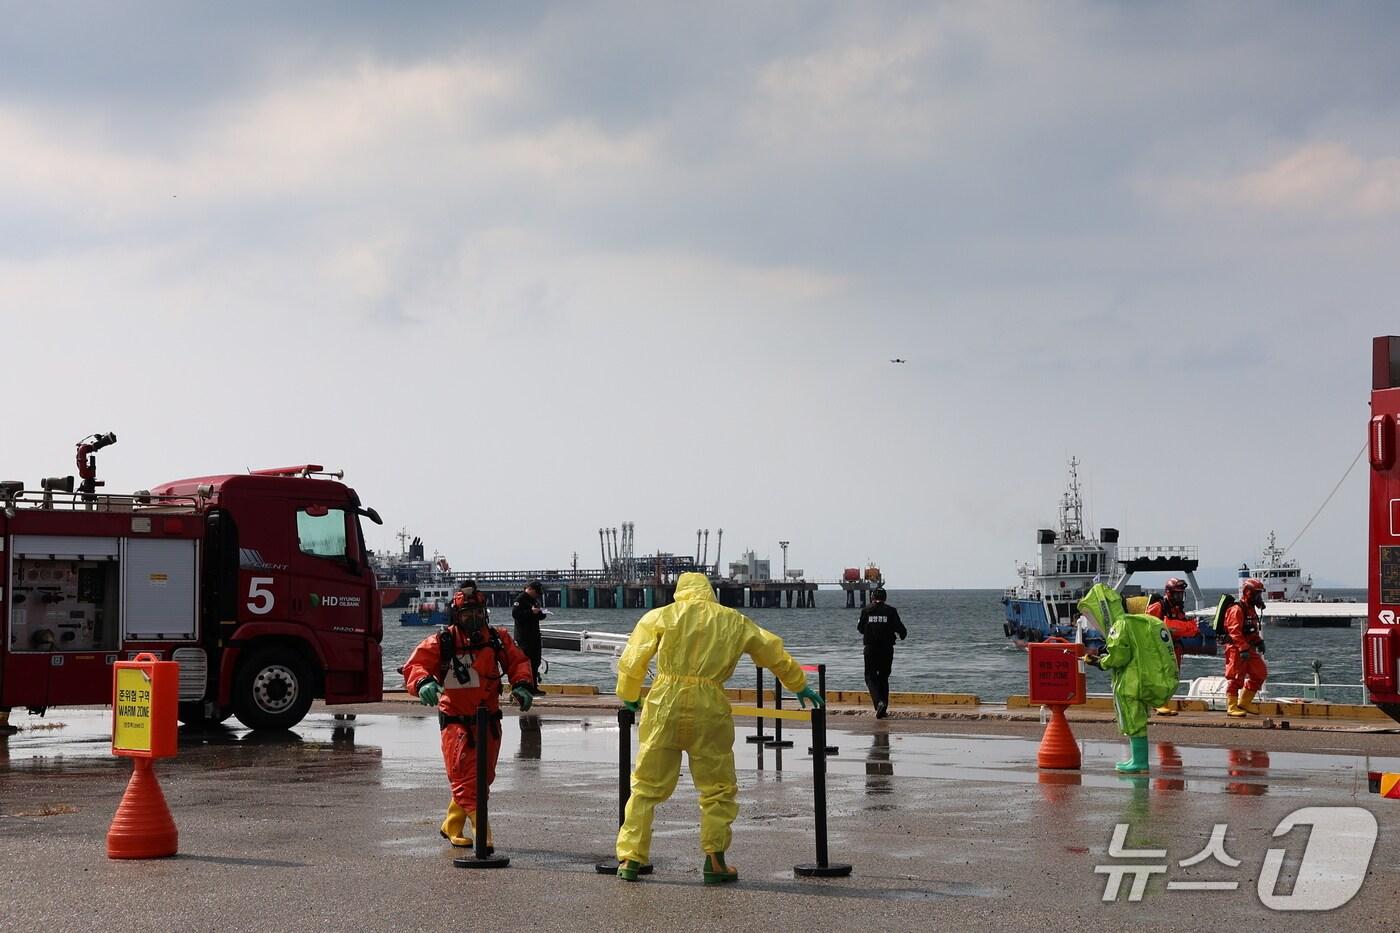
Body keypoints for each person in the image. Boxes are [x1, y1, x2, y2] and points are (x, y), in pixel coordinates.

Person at [614, 572, 823, 885]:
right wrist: (799, 684)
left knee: (645, 786)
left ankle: (630, 859)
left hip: (664, 704)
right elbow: (772, 652)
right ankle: (715, 861)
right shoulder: (734, 621)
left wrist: (629, 695)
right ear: (709, 592)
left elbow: (633, 660)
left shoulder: (660, 616)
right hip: (709, 706)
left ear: (679, 592)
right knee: (717, 788)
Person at [401, 584, 535, 849]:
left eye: (477, 613)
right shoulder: (444, 642)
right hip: (456, 723)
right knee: (466, 781)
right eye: (466, 614)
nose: (472, 620)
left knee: (482, 779)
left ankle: (451, 825)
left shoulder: (498, 639)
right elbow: (415, 665)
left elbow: (518, 661)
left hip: (489, 722)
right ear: (456, 616)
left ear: (484, 613)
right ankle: (483, 836)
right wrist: (423, 682)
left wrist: (521, 684)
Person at [1081, 583, 1177, 774]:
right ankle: (1137, 760)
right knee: (1138, 720)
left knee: (1134, 721)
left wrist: (1100, 662)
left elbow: (1119, 656)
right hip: (1143, 679)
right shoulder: (1141, 622)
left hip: (1130, 683)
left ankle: (1140, 762)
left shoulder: (1121, 624)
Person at [1146, 578, 1197, 716]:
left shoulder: (1179, 611)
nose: (1179, 597)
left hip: (1174, 648)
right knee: (1161, 676)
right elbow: (1147, 626)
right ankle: (1160, 704)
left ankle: (1164, 703)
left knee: (1172, 677)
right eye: (1177, 594)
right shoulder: (1158, 607)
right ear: (1169, 593)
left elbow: (1190, 629)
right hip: (1159, 649)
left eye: (1181, 594)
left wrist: (1179, 628)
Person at [858, 587, 907, 719]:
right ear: (885, 598)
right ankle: (883, 706)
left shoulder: (866, 610)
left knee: (870, 677)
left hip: (871, 649)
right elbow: (902, 631)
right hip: (886, 649)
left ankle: (878, 703)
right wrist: (899, 634)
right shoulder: (891, 611)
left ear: (872, 597)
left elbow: (860, 628)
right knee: (883, 677)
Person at [1224, 577, 1268, 717]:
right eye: (1257, 593)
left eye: (1260, 594)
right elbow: (1234, 631)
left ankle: (1244, 702)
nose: (1259, 597)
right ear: (1248, 592)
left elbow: (1251, 629)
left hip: (1248, 648)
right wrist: (1242, 648)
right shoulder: (1237, 609)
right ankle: (1232, 706)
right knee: (1236, 677)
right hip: (1236, 649)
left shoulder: (1251, 610)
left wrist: (1258, 641)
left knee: (1260, 673)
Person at [512, 581, 548, 694]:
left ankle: (534, 687)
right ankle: (526, 687)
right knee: (526, 663)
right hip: (524, 637)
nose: (537, 595)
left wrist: (542, 613)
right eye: (536, 593)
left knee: (535, 662)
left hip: (534, 635)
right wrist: (530, 612)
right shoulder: (520, 599)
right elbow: (516, 614)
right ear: (531, 589)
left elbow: (538, 616)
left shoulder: (533, 600)